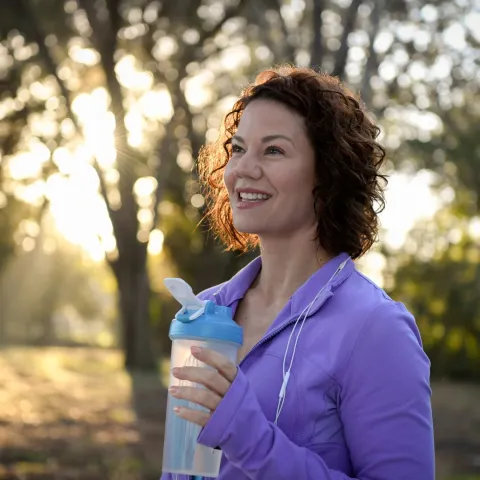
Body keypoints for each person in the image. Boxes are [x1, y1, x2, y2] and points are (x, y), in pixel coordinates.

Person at [161, 66, 435, 480]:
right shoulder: (207, 310)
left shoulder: (377, 330)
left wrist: (246, 432)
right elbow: (182, 467)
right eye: (237, 148)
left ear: (327, 174)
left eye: (273, 151)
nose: (243, 170)